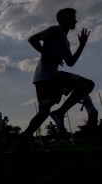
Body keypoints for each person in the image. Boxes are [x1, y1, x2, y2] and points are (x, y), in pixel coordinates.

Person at [14, 8, 94, 151]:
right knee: (87, 84)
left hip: (42, 79)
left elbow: (70, 62)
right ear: (64, 20)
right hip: (49, 76)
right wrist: (47, 53)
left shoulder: (66, 41)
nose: (75, 21)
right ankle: (59, 112)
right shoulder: (55, 30)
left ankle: (22, 141)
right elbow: (32, 39)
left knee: (43, 112)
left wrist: (81, 45)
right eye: (72, 18)